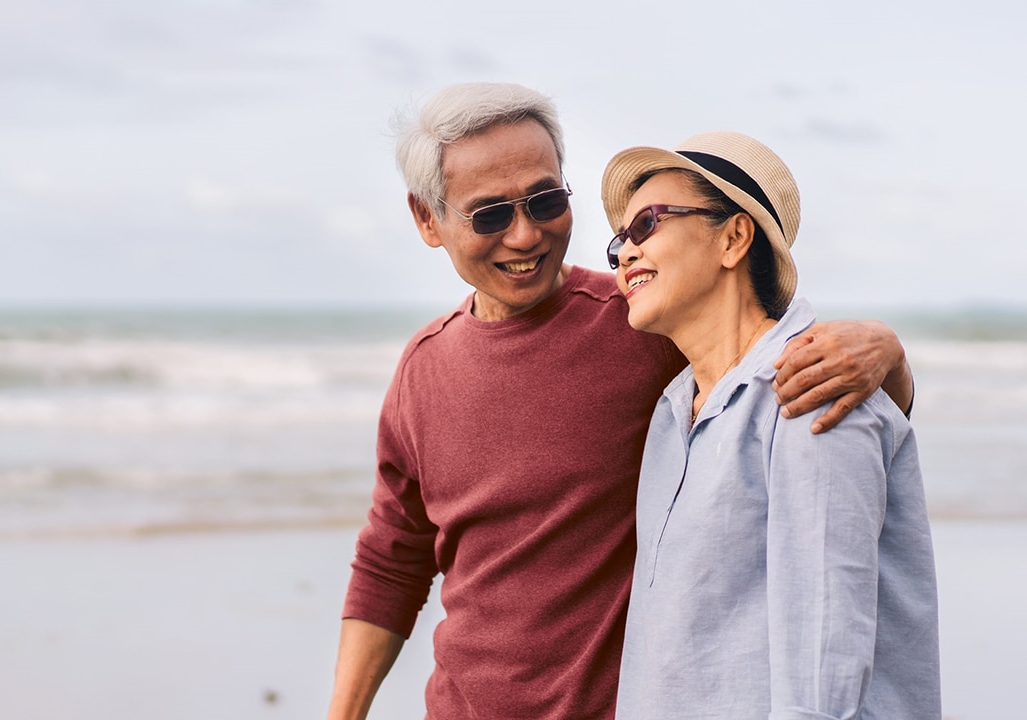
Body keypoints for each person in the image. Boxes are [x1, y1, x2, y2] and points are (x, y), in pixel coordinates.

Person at [327, 83, 916, 720]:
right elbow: (392, 561)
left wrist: (887, 353)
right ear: (427, 220)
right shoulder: (424, 370)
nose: (525, 236)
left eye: (545, 200)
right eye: (490, 214)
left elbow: (768, 351)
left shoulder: (642, 324)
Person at [603, 131, 940, 719]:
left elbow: (822, 667)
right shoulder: (669, 411)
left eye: (647, 225)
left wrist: (891, 354)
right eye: (617, 243)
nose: (625, 253)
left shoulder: (813, 389)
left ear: (733, 238)